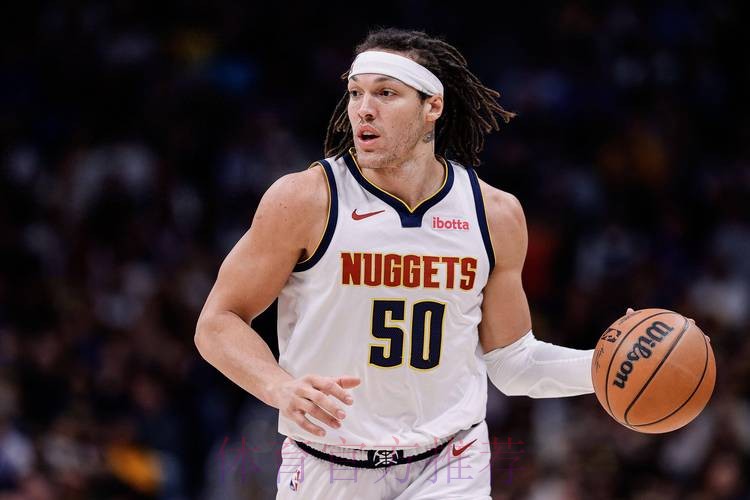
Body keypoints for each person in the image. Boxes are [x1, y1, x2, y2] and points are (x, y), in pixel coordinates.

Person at [195, 28, 595, 499]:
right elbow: (217, 322)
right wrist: (278, 388)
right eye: (356, 93)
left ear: (432, 107)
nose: (364, 109)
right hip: (329, 463)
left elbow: (513, 363)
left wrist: (605, 367)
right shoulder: (306, 199)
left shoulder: (493, 214)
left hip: (450, 462)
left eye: (386, 93)